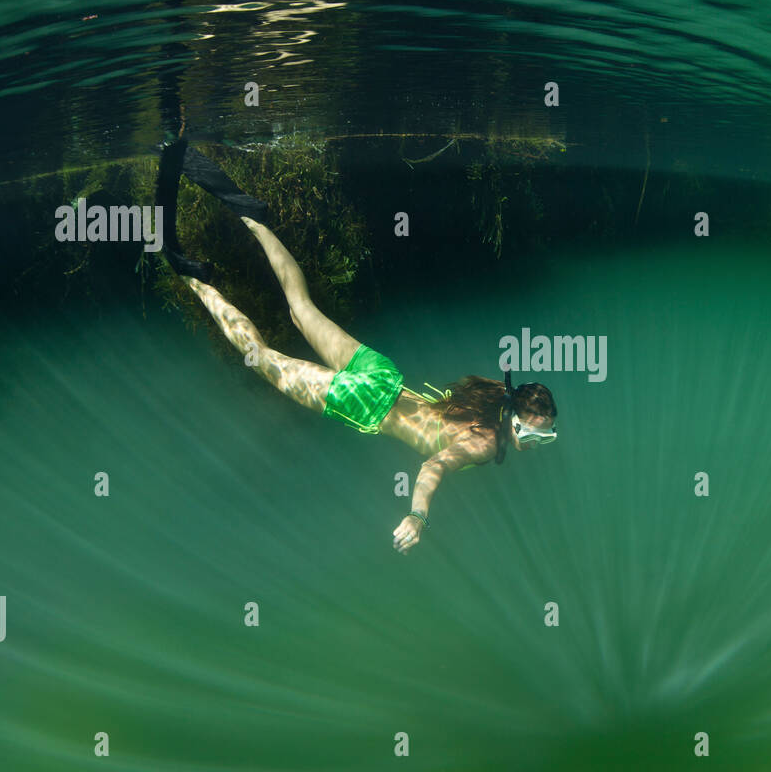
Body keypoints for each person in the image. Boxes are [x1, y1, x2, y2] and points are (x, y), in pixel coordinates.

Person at [154, 136, 558, 554]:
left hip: (382, 374)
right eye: (537, 435)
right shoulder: (485, 443)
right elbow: (434, 465)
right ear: (515, 422)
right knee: (263, 359)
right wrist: (417, 516)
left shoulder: (496, 399)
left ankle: (252, 216)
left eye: (546, 437)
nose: (537, 444)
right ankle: (191, 278)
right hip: (365, 403)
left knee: (301, 308)